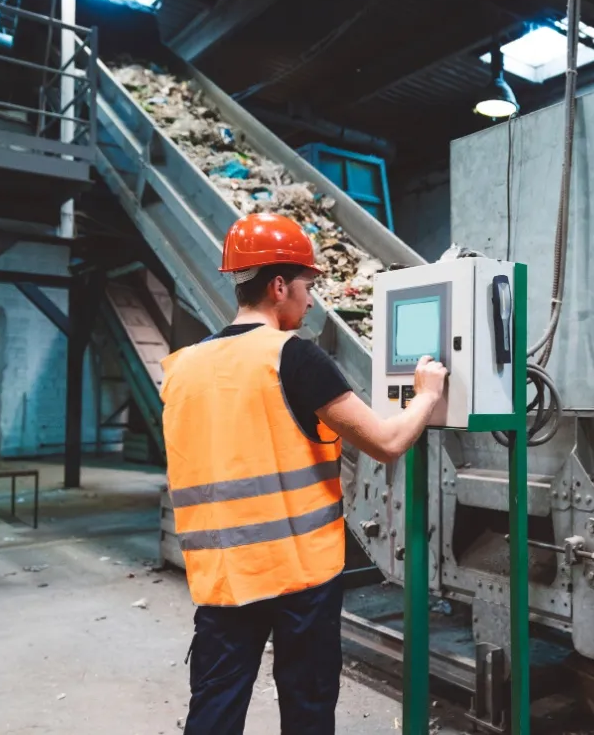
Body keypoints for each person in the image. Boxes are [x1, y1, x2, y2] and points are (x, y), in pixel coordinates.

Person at [159, 212, 448, 735]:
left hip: (223, 572)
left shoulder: (183, 367)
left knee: (215, 706)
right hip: (299, 574)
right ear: (277, 285)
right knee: (307, 707)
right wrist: (427, 395)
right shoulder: (293, 357)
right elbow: (385, 442)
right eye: (307, 286)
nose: (310, 300)